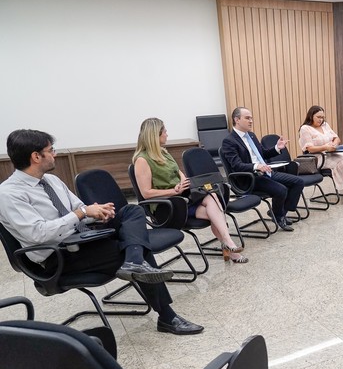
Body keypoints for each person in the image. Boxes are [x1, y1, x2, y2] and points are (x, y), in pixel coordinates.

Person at [0, 129, 203, 335]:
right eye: (51, 150)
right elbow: (38, 234)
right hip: (58, 257)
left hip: (84, 239)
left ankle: (134, 263)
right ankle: (166, 315)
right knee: (134, 247)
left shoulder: (52, 181)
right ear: (36, 156)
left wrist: (97, 213)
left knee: (131, 210)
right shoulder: (9, 194)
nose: (55, 154)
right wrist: (81, 214)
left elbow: (80, 208)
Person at [132, 118, 247, 263]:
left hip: (183, 199)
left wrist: (182, 180)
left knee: (212, 197)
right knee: (216, 211)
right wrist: (173, 191)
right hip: (166, 207)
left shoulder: (163, 152)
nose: (167, 134)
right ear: (155, 135)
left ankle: (228, 244)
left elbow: (178, 171)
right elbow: (146, 193)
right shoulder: (142, 160)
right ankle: (229, 245)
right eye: (164, 132)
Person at [220, 107, 304, 231]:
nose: (251, 121)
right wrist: (256, 166)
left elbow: (262, 154)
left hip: (264, 173)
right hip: (249, 178)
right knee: (281, 190)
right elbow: (236, 165)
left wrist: (277, 148)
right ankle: (279, 215)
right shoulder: (229, 141)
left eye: (251, 118)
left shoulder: (251, 136)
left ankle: (280, 212)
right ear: (237, 120)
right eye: (247, 118)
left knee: (298, 182)